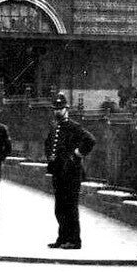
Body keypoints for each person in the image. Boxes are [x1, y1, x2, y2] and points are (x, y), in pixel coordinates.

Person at [44, 93, 95, 249]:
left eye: (60, 109)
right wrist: (50, 158)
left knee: (71, 207)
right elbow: (48, 144)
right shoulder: (54, 127)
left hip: (72, 173)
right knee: (59, 207)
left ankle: (74, 241)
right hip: (59, 173)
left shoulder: (74, 126)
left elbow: (90, 140)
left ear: (66, 109)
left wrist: (77, 154)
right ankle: (62, 238)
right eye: (55, 109)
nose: (57, 111)